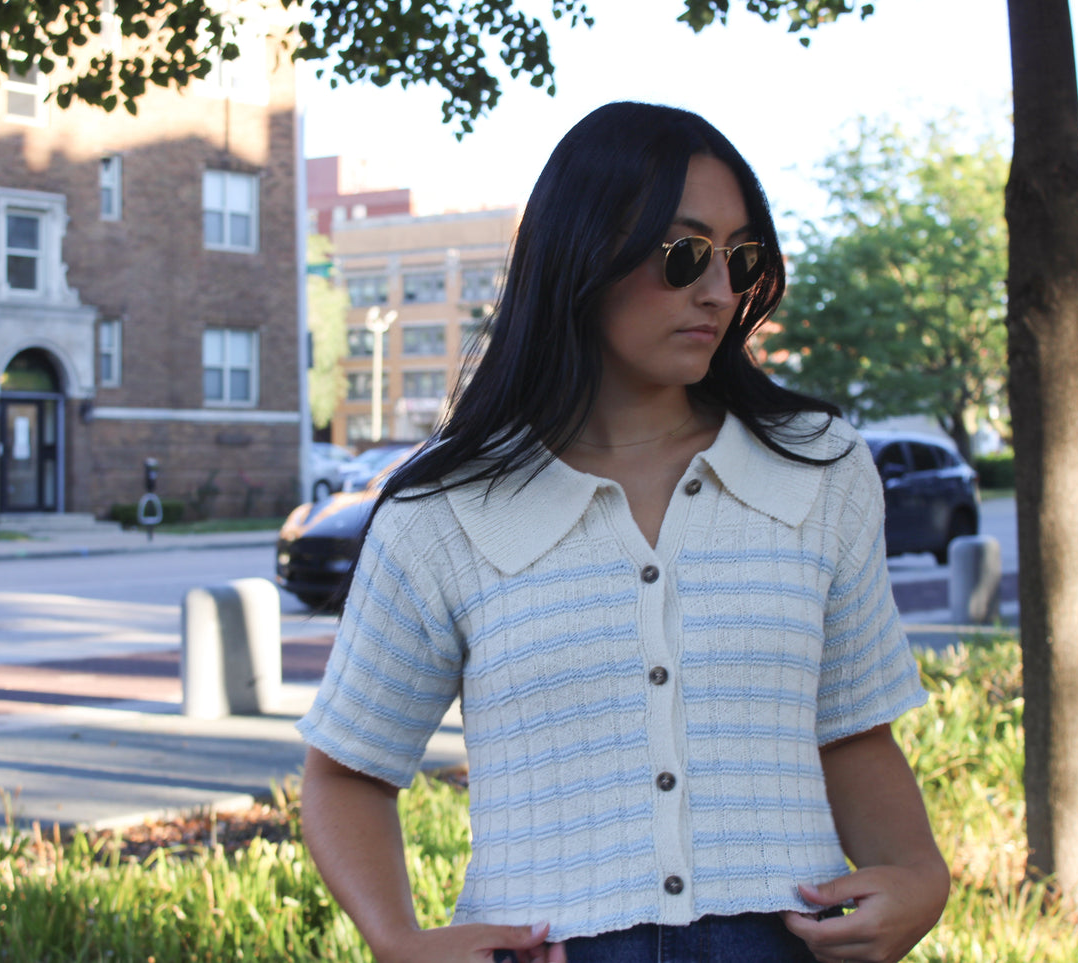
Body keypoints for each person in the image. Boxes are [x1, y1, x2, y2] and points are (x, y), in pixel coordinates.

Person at [295, 101, 949, 963]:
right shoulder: (444, 512)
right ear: (582, 254)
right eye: (682, 254)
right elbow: (349, 767)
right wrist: (397, 939)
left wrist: (919, 878)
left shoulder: (818, 470)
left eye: (739, 257)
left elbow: (853, 727)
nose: (718, 290)